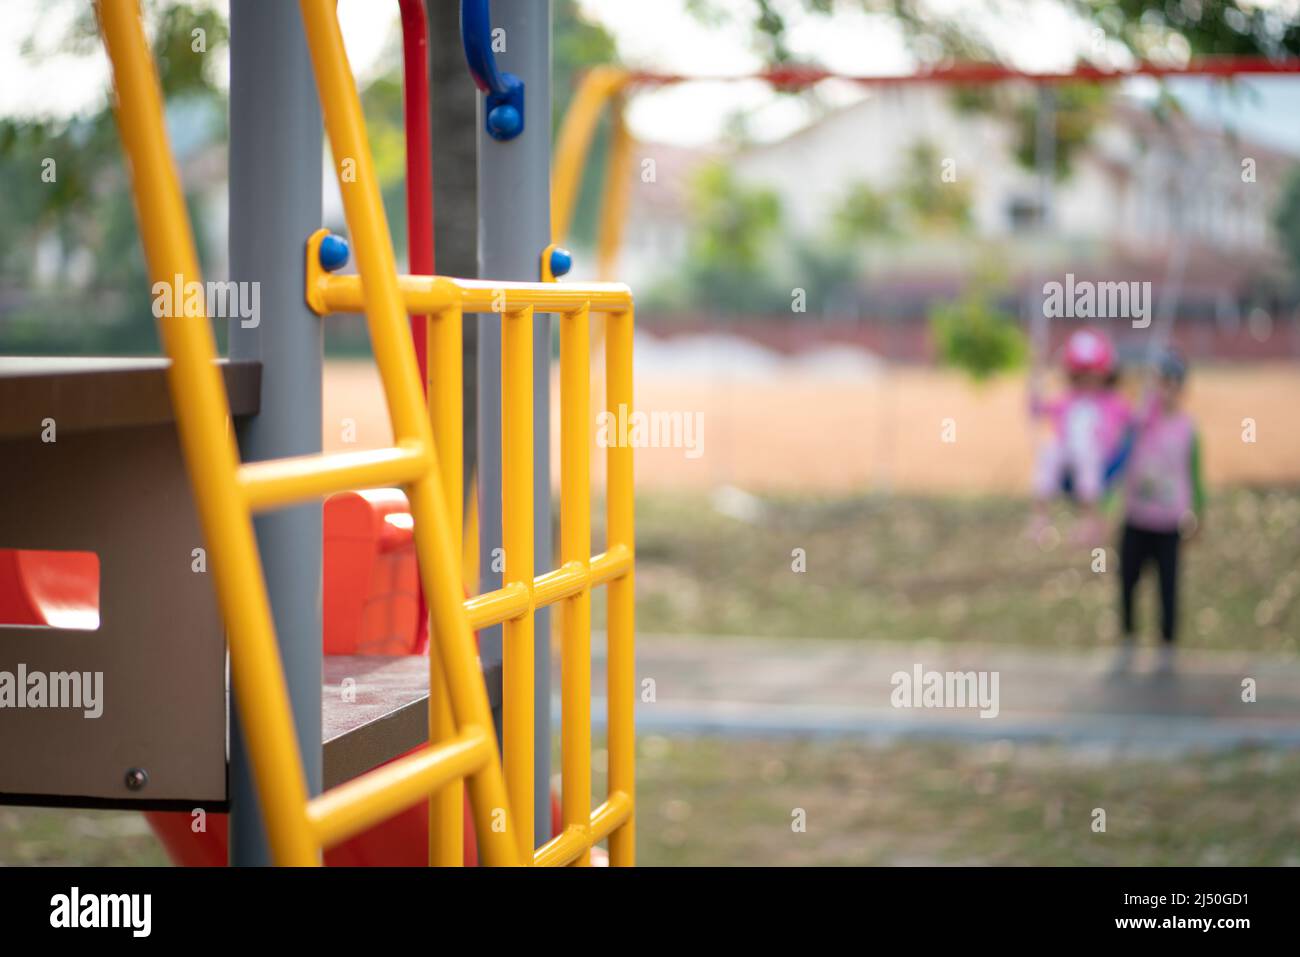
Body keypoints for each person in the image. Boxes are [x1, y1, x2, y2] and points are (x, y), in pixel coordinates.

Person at [1112, 349, 1205, 676]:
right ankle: (1128, 639)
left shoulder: (1187, 429)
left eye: (1169, 382)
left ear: (1180, 387)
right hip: (1136, 518)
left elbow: (1194, 474)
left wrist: (1198, 515)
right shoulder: (1137, 422)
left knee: (1168, 586)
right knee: (1126, 581)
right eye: (1158, 381)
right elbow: (1117, 460)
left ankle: (1167, 646)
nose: (1163, 388)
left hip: (1168, 523)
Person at [1029, 328, 1131, 545]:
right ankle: (1041, 516)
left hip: (1098, 455)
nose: (1087, 380)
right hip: (1067, 452)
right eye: (1080, 375)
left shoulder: (1111, 402)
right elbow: (1036, 410)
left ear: (1105, 374)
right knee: (1049, 451)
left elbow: (1135, 420)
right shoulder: (1066, 400)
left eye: (1092, 374)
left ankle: (1088, 521)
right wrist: (1034, 380)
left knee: (1087, 457)